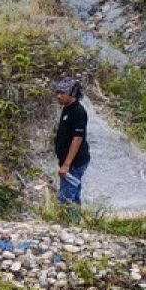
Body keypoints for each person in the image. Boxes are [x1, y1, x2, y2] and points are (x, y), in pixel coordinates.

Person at [54, 77, 90, 207]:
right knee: (73, 196)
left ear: (72, 94)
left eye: (62, 93)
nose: (59, 96)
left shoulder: (78, 111)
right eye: (57, 92)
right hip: (69, 162)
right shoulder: (67, 108)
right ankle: (75, 224)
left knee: (66, 198)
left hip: (75, 162)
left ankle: (68, 225)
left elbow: (77, 139)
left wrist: (66, 165)